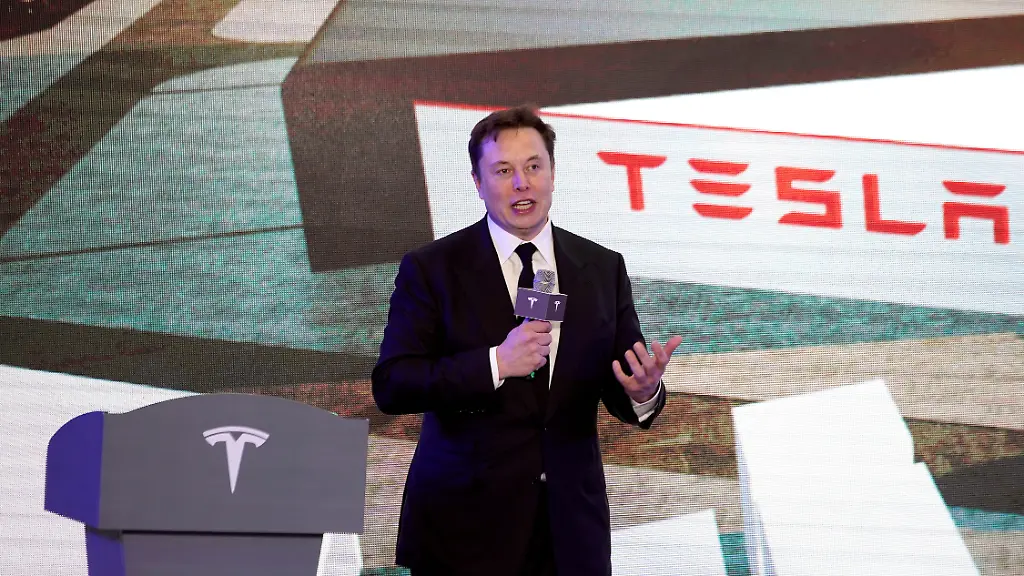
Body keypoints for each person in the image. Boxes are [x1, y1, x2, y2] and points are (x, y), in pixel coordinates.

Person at [371, 105, 683, 576]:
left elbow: (622, 383)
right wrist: (496, 363)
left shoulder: (601, 268)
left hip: (571, 535)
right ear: (477, 183)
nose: (522, 183)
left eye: (534, 166)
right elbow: (394, 384)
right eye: (503, 171)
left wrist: (643, 392)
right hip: (464, 534)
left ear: (552, 174)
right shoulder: (433, 268)